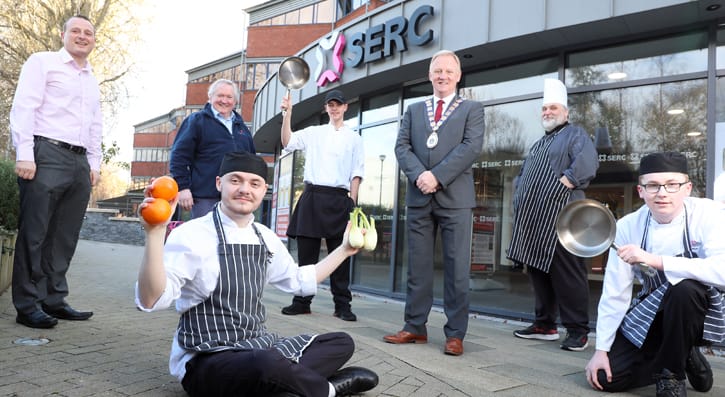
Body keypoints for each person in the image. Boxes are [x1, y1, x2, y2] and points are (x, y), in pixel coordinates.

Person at [135, 151, 378, 397]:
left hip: (258, 345)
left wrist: (344, 249)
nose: (245, 189)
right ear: (219, 183)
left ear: (264, 190)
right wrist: (155, 233)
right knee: (265, 364)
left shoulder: (265, 237)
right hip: (207, 358)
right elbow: (151, 299)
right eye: (235, 180)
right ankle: (328, 390)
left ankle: (284, 387)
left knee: (340, 342)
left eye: (254, 183)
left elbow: (299, 280)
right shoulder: (191, 234)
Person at [585, 151, 725, 397]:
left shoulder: (710, 214)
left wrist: (655, 261)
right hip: (653, 308)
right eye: (652, 185)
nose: (662, 193)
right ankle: (683, 352)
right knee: (605, 378)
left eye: (672, 184)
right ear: (641, 191)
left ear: (687, 188)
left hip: (702, 307)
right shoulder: (628, 226)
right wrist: (601, 350)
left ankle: (671, 375)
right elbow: (615, 292)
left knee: (685, 288)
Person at [384, 50, 484, 356]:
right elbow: (401, 147)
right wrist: (420, 176)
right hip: (419, 198)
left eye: (448, 71)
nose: (442, 76)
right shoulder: (414, 110)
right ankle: (415, 327)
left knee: (456, 269)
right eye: (437, 71)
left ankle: (455, 334)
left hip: (455, 199)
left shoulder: (472, 108)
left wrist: (437, 176)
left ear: (458, 76)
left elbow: (470, 148)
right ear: (430, 75)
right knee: (418, 267)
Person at [10, 15, 101, 329]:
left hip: (78, 162)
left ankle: (54, 298)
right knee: (34, 234)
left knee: (64, 236)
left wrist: (94, 163)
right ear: (63, 35)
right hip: (46, 152)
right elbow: (24, 107)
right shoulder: (43, 62)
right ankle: (27, 304)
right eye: (75, 30)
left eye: (88, 33)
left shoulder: (90, 77)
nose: (82, 36)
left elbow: (95, 124)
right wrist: (24, 154)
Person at [508, 78, 599, 351]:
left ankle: (578, 330)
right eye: (545, 108)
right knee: (538, 271)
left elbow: (588, 162)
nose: (547, 112)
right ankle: (545, 325)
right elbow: (524, 177)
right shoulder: (537, 144)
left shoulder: (576, 134)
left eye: (553, 108)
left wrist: (567, 181)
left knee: (568, 274)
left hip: (562, 218)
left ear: (566, 112)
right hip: (535, 220)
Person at [279, 89, 364, 322]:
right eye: (330, 105)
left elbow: (356, 173)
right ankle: (302, 302)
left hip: (340, 199)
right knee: (307, 256)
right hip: (313, 195)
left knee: (341, 256)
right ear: (326, 108)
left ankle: (342, 305)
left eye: (338, 104)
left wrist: (354, 207)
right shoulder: (314, 132)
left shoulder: (355, 138)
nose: (334, 108)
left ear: (346, 107)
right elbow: (287, 141)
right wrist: (288, 114)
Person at [169, 78, 256, 219]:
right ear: (210, 97)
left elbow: (252, 161)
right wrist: (183, 188)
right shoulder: (196, 121)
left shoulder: (242, 128)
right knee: (205, 239)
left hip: (237, 197)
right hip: (205, 197)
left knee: (233, 238)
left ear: (235, 101)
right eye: (220, 96)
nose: (224, 100)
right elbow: (179, 156)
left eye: (229, 97)